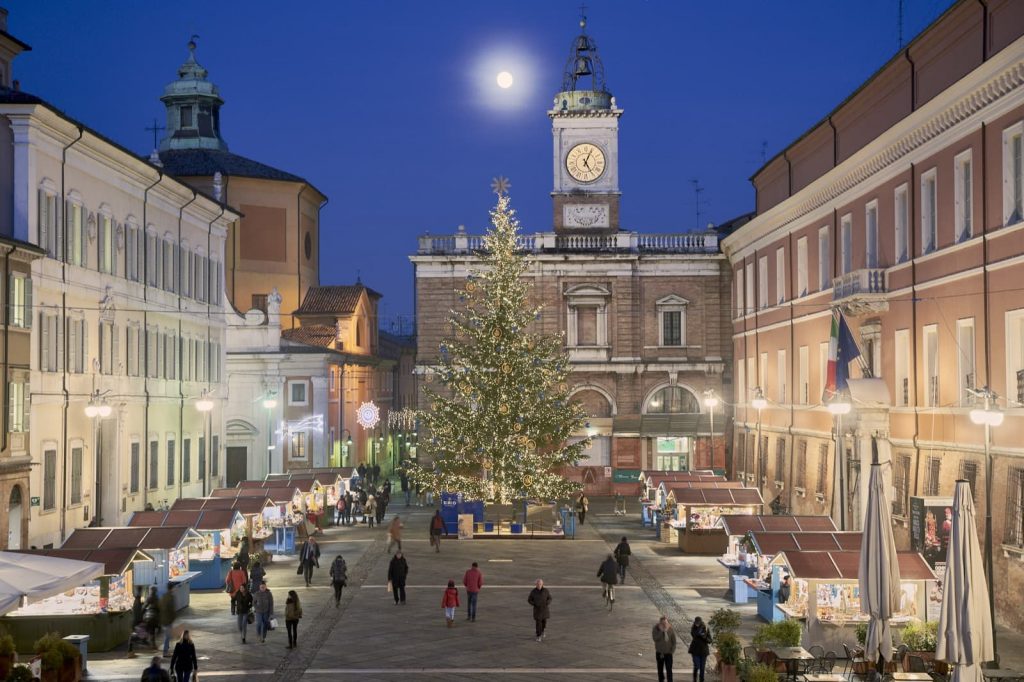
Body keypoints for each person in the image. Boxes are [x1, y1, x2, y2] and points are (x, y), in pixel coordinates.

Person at [653, 615, 678, 682]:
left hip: (668, 653)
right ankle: (661, 680)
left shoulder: (670, 629)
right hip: (660, 653)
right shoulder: (656, 629)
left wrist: (672, 650)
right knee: (660, 669)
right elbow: (655, 638)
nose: (664, 625)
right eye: (663, 623)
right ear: (660, 623)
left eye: (666, 623)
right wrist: (661, 631)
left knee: (669, 669)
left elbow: (674, 641)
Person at [689, 616, 711, 682]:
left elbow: (710, 640)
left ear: (701, 622)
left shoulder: (706, 628)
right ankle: (694, 679)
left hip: (703, 651)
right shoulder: (693, 628)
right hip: (695, 650)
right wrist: (700, 629)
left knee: (702, 667)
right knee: (697, 665)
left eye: (698, 623)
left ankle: (702, 680)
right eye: (696, 623)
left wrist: (704, 637)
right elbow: (694, 635)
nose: (697, 624)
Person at [158, 583, 176, 657]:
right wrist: (173, 617)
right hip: (168, 619)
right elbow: (172, 609)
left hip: (163, 618)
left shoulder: (164, 596)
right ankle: (165, 652)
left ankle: (167, 649)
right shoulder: (171, 597)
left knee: (167, 635)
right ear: (172, 588)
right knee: (167, 636)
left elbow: (159, 606)